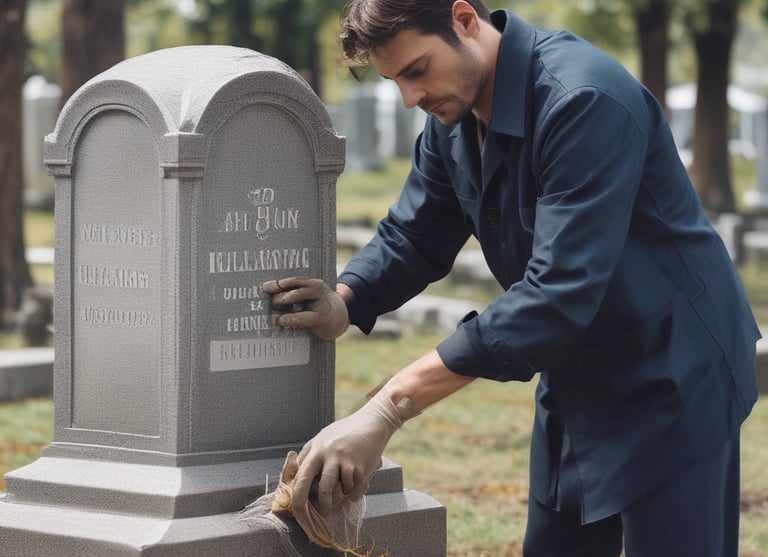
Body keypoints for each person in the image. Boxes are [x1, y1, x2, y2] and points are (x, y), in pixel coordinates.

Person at [263, 1, 761, 555]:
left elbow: (556, 294)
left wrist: (388, 408)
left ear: (464, 20)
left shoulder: (581, 99)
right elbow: (415, 234)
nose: (410, 97)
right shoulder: (452, 115)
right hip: (575, 369)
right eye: (395, 80)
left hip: (672, 369)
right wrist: (345, 299)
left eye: (417, 70)